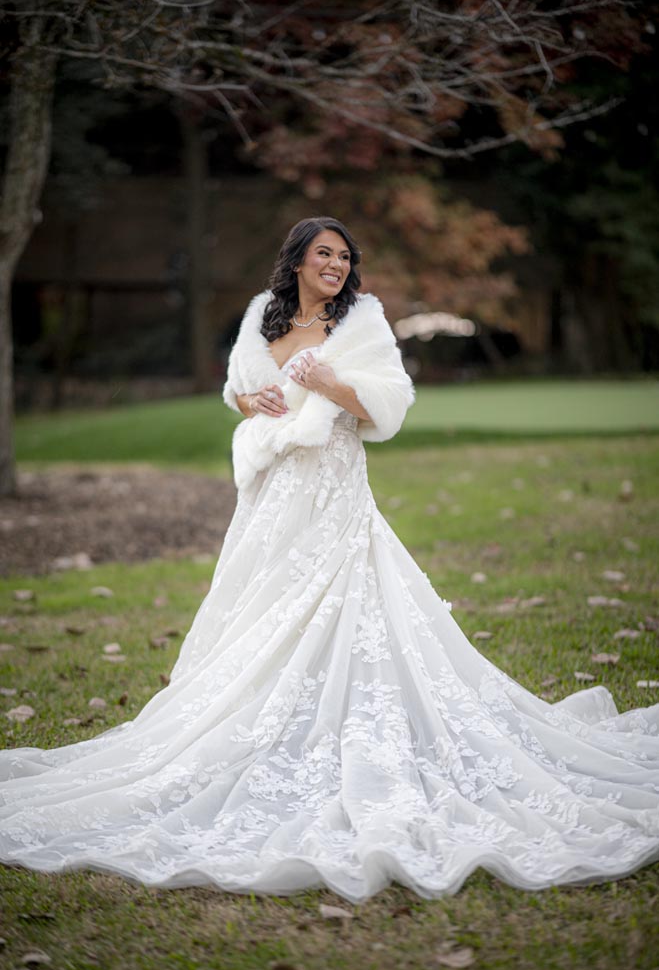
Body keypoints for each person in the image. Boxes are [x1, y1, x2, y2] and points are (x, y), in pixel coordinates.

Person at [1, 216, 658, 905]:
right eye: (323, 254)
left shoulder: (363, 325)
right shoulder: (262, 315)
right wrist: (246, 398)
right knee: (260, 607)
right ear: (295, 261)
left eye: (344, 257)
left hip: (333, 490)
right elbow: (241, 388)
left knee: (344, 604)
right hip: (268, 496)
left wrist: (329, 380)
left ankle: (348, 730)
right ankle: (252, 725)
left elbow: (388, 409)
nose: (336, 266)